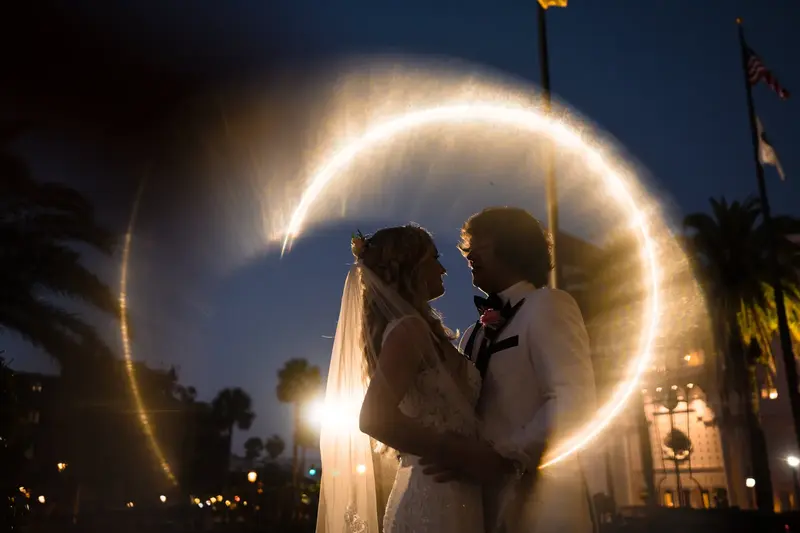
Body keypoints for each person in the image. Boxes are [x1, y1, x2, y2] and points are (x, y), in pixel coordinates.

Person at [421, 206, 599, 533]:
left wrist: (503, 457)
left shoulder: (549, 305)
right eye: (467, 246)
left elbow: (573, 398)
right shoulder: (473, 332)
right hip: (476, 505)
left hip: (542, 503)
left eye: (479, 243)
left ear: (512, 244)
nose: (468, 252)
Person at [315, 225, 495, 533]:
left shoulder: (417, 330)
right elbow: (374, 419)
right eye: (433, 258)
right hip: (433, 496)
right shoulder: (408, 330)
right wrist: (461, 452)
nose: (443, 269)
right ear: (410, 266)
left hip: (453, 492)